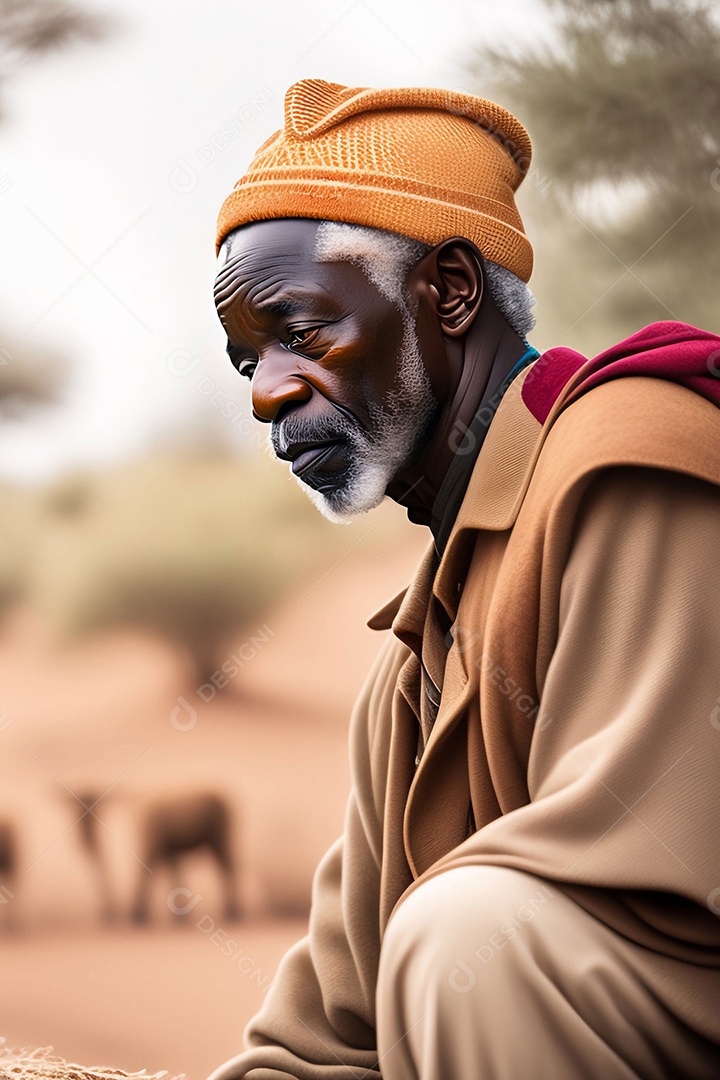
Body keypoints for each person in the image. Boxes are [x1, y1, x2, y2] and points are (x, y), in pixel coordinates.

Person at [207, 78, 720, 1080]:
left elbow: (651, 897)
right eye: (245, 362)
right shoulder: (411, 662)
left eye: (301, 332)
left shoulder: (634, 465)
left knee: (465, 942)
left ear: (447, 292)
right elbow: (326, 1038)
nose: (268, 396)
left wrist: (446, 961)